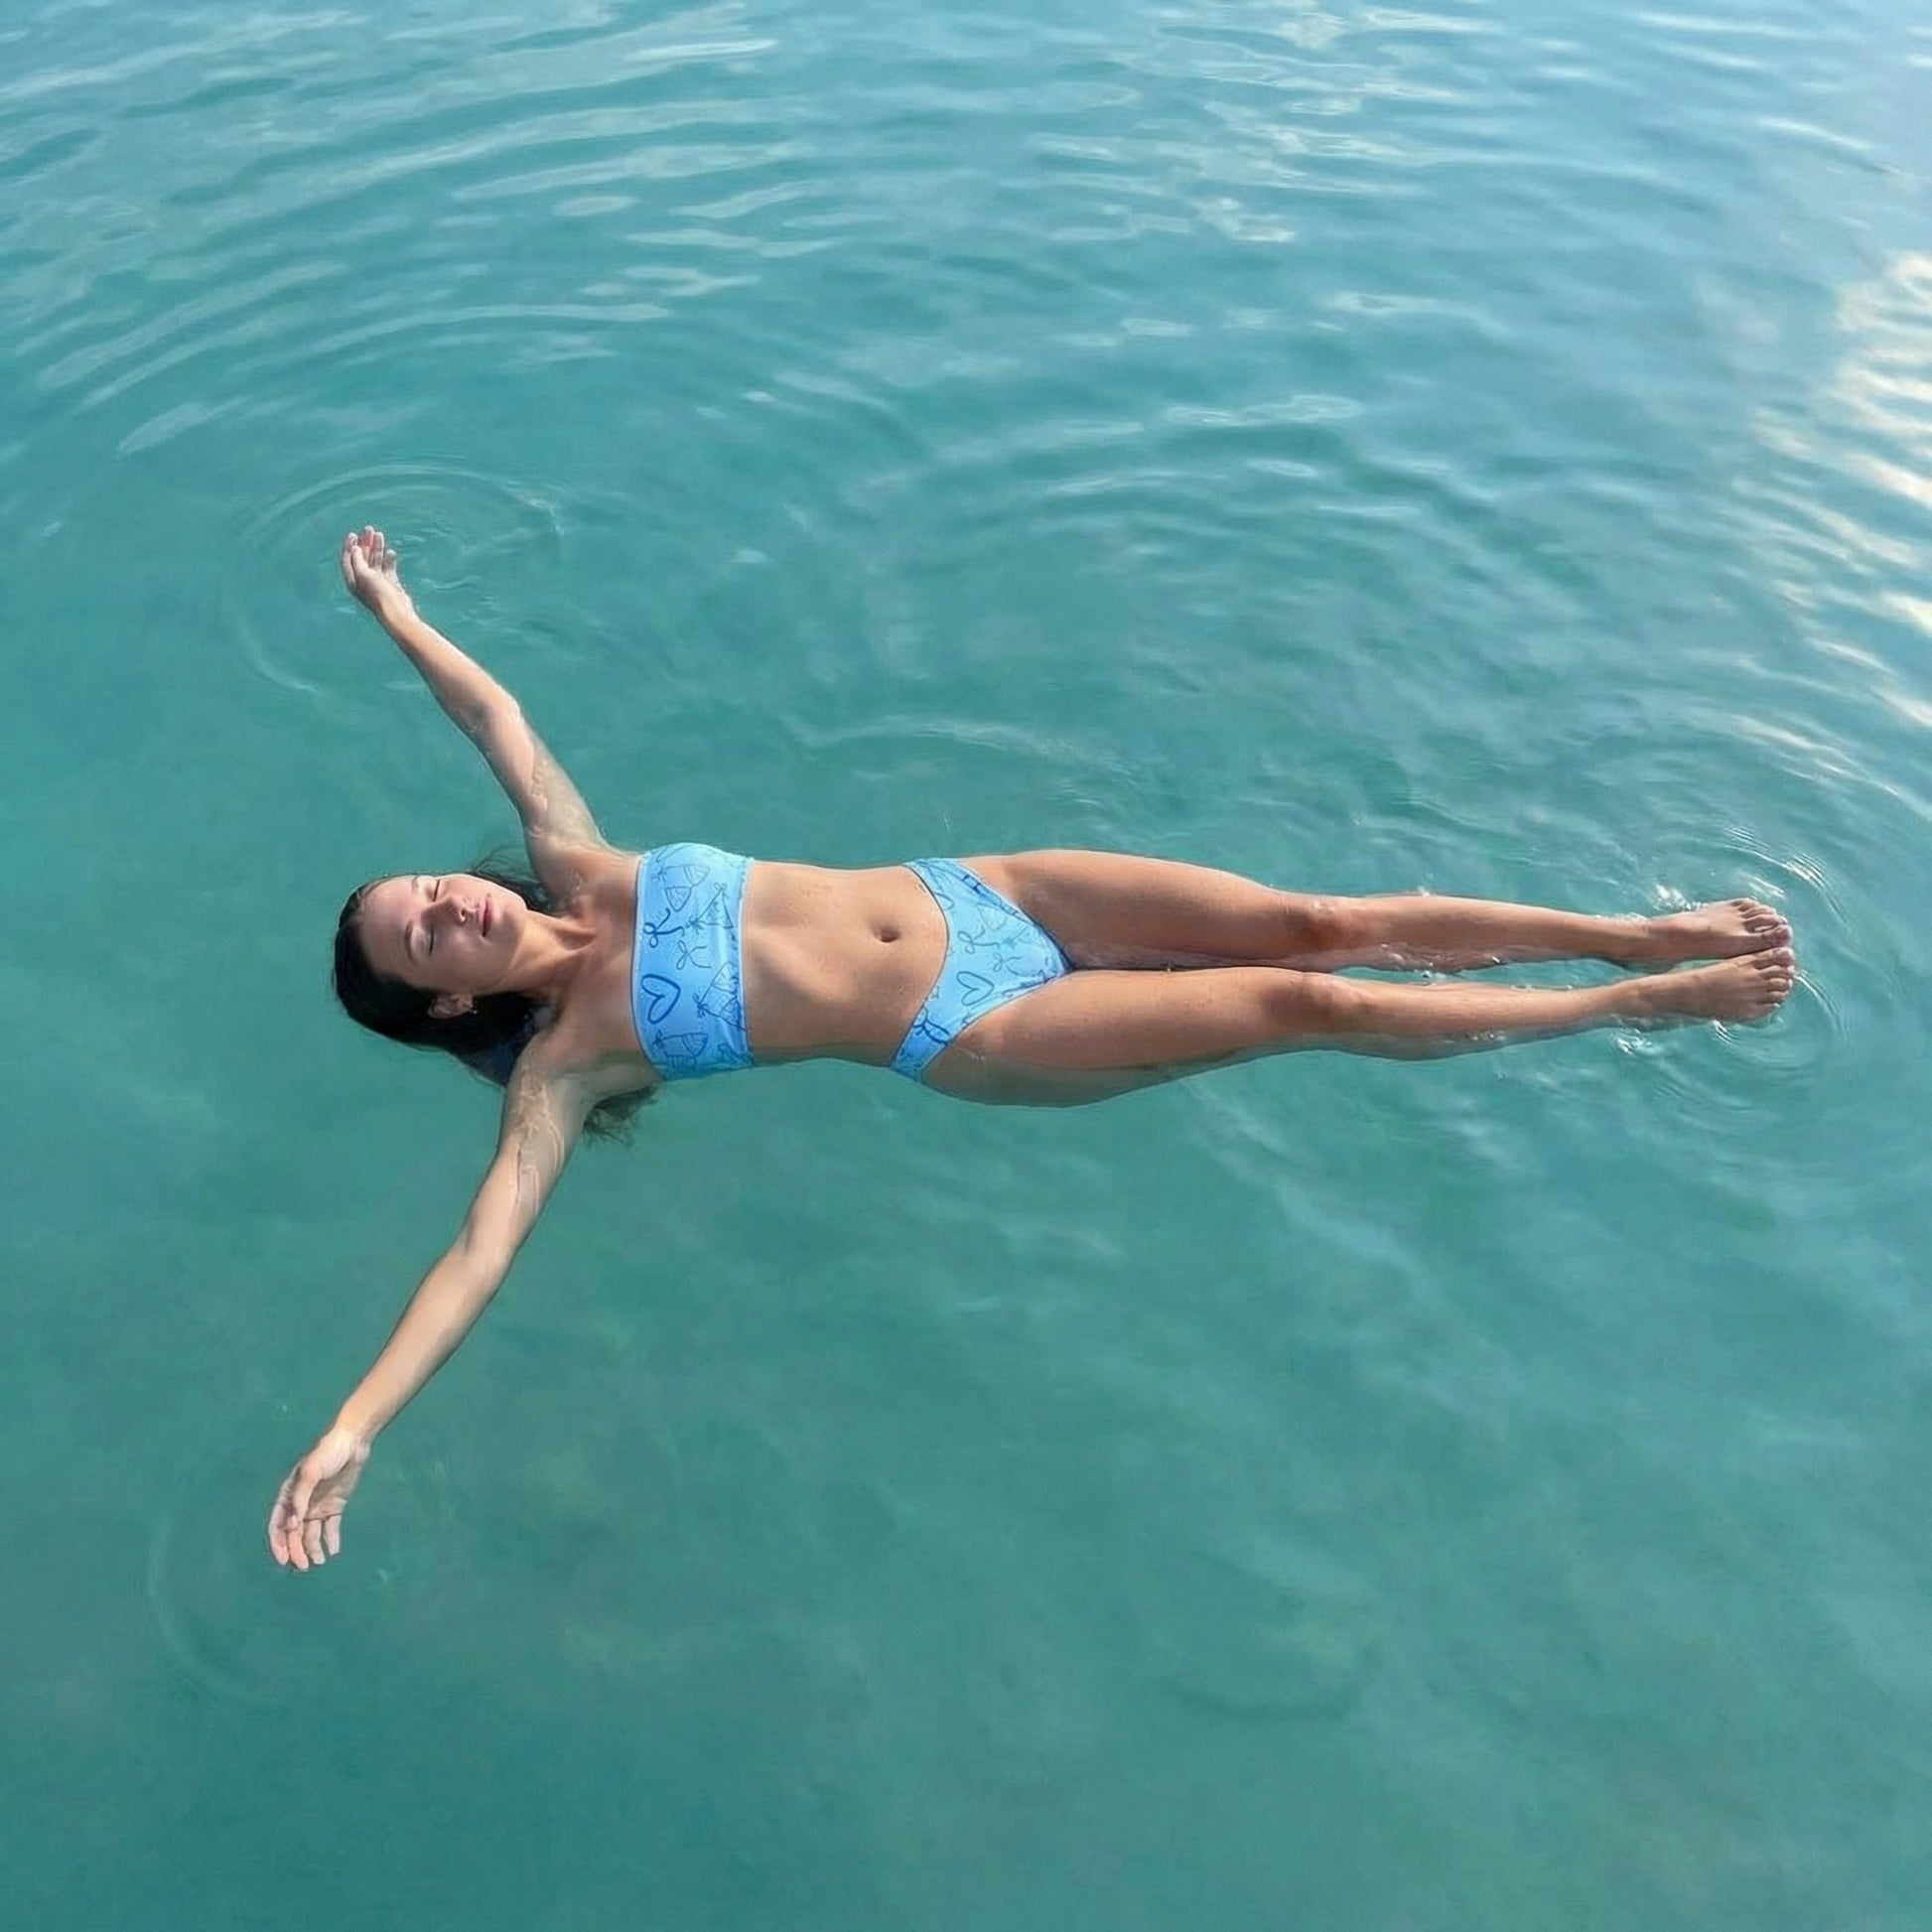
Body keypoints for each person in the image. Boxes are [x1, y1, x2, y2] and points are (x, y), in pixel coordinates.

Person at [267, 526, 1797, 1571]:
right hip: (979, 1024)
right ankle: (1627, 1009)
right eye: (425, 936)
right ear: (446, 1005)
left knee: (1320, 919)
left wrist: (400, 615)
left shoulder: (582, 861)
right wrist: (352, 1426)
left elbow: (497, 714)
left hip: (984, 889)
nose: (451, 899)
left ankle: (1630, 932)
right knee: (1310, 1006)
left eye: (427, 887)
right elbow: (478, 1254)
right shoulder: (567, 1069)